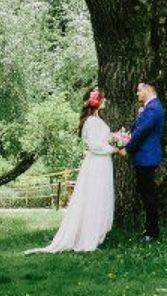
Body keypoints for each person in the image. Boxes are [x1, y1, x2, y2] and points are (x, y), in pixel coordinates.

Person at [26, 89, 116, 253]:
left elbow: (101, 140)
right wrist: (114, 149)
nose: (105, 101)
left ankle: (94, 234)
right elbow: (94, 146)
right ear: (97, 102)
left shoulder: (96, 120)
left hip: (102, 162)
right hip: (97, 163)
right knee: (94, 198)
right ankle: (88, 238)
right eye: (102, 99)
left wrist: (116, 139)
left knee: (99, 196)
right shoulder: (92, 121)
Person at [126, 81, 164, 242]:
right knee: (146, 194)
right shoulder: (150, 108)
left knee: (148, 196)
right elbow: (136, 128)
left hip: (146, 157)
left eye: (139, 90)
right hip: (145, 157)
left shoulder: (153, 108)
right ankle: (150, 229)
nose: (137, 93)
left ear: (148, 90)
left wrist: (127, 149)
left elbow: (141, 132)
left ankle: (152, 232)